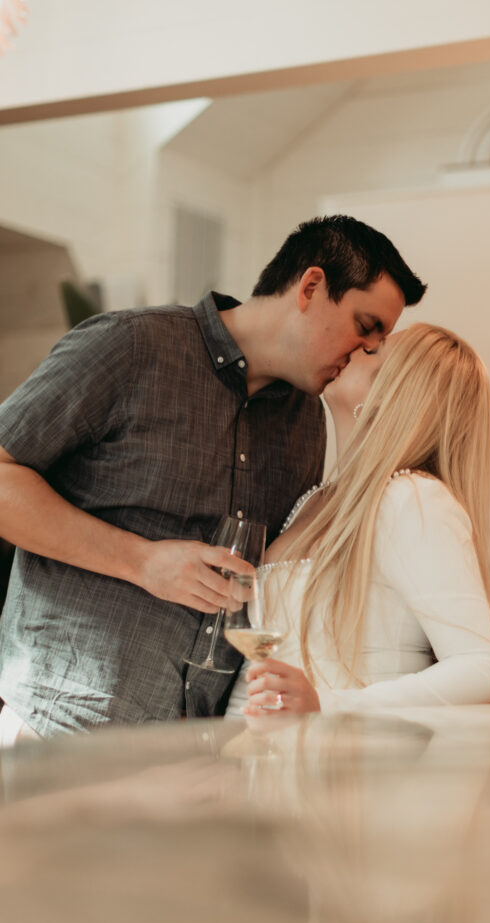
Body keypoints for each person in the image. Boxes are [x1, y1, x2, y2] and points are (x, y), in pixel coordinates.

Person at [0, 215, 426, 742]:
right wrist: (143, 561)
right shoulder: (131, 347)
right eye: (366, 327)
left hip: (192, 749)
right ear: (311, 287)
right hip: (63, 728)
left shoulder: (305, 422)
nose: (367, 352)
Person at [227, 323, 490, 718]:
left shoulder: (410, 499)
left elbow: (481, 668)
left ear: (390, 394)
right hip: (255, 760)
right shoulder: (312, 499)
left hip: (339, 767)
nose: (352, 348)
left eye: (372, 351)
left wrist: (328, 705)